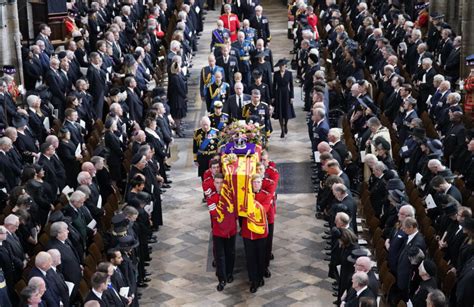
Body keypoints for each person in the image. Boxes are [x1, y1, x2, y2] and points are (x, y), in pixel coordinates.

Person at [207, 173, 237, 291]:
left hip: (231, 230)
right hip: (218, 232)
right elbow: (214, 214)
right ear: (214, 183)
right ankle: (222, 278)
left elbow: (235, 212)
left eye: (221, 183)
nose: (219, 185)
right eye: (217, 183)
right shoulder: (211, 197)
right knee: (220, 256)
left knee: (231, 254)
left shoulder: (231, 196)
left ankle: (229, 274)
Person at [242, 174, 268, 293]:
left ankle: (260, 276)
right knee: (250, 257)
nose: (256, 184)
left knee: (261, 256)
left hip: (260, 232)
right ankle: (253, 280)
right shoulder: (245, 197)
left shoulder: (265, 195)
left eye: (258, 182)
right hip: (248, 232)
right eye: (254, 182)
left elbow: (263, 210)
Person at [272, 58, 295, 138]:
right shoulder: (276, 74)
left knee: (286, 111)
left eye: (283, 66)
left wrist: (292, 96)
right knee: (280, 112)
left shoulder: (289, 74)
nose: (282, 67)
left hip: (286, 93)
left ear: (285, 66)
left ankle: (285, 125)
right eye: (280, 66)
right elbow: (274, 85)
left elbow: (291, 86)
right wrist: (273, 97)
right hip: (279, 93)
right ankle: (282, 129)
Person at [167, 61, 188, 137]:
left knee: (179, 116)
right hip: (177, 99)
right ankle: (178, 130)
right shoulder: (174, 77)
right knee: (177, 116)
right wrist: (184, 96)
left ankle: (179, 129)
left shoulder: (177, 75)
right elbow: (179, 89)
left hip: (179, 98)